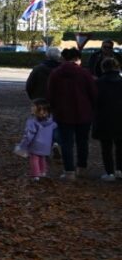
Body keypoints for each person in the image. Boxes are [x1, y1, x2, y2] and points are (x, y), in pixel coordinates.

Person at [47, 47, 97, 179]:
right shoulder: (84, 73)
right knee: (82, 142)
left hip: (63, 113)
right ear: (77, 59)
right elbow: (93, 93)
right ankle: (82, 167)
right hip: (83, 112)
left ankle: (69, 171)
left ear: (63, 58)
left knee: (66, 142)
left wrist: (53, 108)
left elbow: (51, 94)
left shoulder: (55, 73)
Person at [93, 57, 122, 181]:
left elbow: (94, 101)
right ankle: (120, 170)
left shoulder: (99, 83)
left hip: (104, 118)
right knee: (120, 146)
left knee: (106, 147)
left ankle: (109, 172)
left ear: (103, 68)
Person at [13, 98, 56, 181]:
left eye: (33, 106)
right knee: (42, 157)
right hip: (46, 145)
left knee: (34, 158)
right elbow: (55, 128)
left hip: (35, 144)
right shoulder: (51, 122)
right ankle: (43, 172)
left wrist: (23, 145)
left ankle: (35, 174)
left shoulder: (32, 122)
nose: (31, 108)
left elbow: (28, 135)